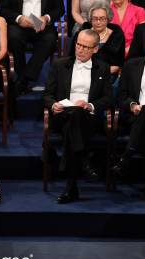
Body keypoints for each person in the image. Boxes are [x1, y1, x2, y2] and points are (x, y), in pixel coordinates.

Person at [43, 29, 113, 203]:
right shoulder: (60, 65)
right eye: (78, 44)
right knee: (72, 119)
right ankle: (84, 160)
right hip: (62, 115)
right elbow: (46, 94)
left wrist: (90, 105)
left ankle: (71, 187)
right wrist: (53, 104)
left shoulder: (102, 68)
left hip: (87, 118)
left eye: (85, 47)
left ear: (95, 49)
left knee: (76, 119)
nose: (80, 49)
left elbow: (109, 98)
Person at [112, 28, 145, 204]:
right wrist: (132, 105)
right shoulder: (132, 65)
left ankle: (126, 158)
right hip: (138, 116)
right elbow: (122, 96)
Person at [0, 0, 64, 96]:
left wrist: (46, 18)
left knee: (50, 39)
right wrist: (19, 18)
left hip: (42, 25)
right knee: (13, 37)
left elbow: (60, 9)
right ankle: (23, 77)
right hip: (19, 25)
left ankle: (23, 79)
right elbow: (2, 10)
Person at [70, 2, 125, 79]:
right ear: (90, 19)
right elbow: (72, 59)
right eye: (95, 19)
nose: (98, 22)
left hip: (106, 75)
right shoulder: (81, 34)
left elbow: (117, 66)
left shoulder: (117, 35)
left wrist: (97, 73)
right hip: (82, 73)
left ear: (108, 18)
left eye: (102, 19)